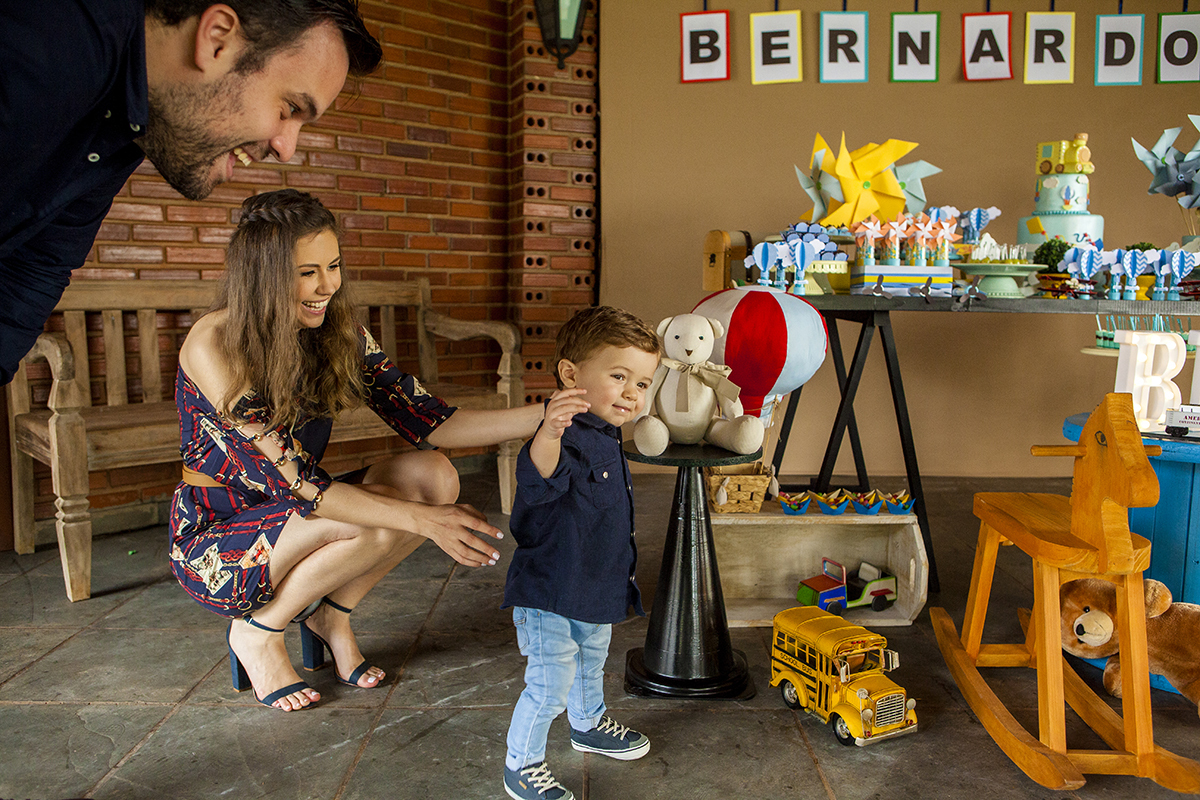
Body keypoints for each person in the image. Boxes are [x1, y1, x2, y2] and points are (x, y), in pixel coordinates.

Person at [172, 188, 543, 711]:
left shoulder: (338, 331)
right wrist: (425, 521)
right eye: (308, 272)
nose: (328, 286)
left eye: (334, 266)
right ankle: (258, 631)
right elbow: (302, 485)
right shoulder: (214, 342)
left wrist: (551, 414)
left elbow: (433, 421)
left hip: (300, 512)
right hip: (219, 538)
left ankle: (331, 615)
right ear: (263, 276)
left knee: (434, 476)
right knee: (379, 516)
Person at [0, 0, 382, 385]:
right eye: (289, 108)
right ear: (217, 40)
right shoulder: (41, 41)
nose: (286, 149)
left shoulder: (127, 129)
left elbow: (39, 262)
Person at [501, 307, 660, 800]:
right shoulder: (560, 433)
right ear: (571, 375)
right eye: (619, 377)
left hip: (594, 583)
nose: (632, 393)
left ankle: (588, 723)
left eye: (642, 383)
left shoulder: (606, 432)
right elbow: (540, 473)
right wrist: (549, 431)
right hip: (551, 590)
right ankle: (521, 765)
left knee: (591, 663)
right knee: (550, 685)